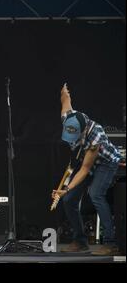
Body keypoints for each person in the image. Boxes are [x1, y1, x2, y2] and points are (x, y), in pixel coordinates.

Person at [52, 83, 122, 255]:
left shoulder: (94, 136)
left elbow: (85, 170)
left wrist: (66, 188)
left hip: (105, 163)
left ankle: (111, 243)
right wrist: (64, 90)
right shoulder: (67, 117)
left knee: (95, 194)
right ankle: (80, 241)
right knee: (69, 200)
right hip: (87, 160)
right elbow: (65, 100)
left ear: (83, 131)